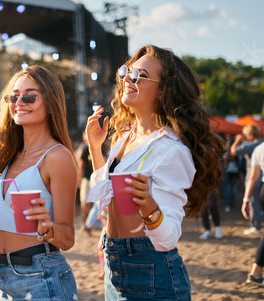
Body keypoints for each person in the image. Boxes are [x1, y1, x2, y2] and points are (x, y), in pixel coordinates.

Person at [85, 45, 224, 300]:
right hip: (113, 264)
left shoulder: (171, 149)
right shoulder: (125, 137)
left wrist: (148, 205)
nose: (128, 78)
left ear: (163, 91)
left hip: (149, 269)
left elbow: (168, 237)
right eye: (126, 71)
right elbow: (105, 194)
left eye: (139, 75)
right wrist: (95, 147)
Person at [0, 65, 79, 300]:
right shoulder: (9, 154)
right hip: (4, 276)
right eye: (14, 96)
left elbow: (67, 238)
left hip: (41, 276)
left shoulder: (57, 157)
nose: (19, 102)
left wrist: (46, 228)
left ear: (50, 103)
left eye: (29, 96)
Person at [231, 125, 263, 237]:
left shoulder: (252, 146)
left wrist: (237, 140)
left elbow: (233, 151)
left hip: (253, 175)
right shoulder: (260, 144)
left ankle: (255, 226)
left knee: (253, 201)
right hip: (261, 177)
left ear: (250, 135)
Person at [242, 141, 264, 286]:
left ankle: (256, 273)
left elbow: (253, 177)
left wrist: (246, 199)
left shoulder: (259, 148)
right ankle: (255, 273)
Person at [77, 131, 94, 235]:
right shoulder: (84, 148)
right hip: (86, 179)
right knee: (84, 202)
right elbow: (81, 165)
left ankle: (88, 224)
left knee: (91, 203)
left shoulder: (98, 146)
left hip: (93, 178)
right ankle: (84, 223)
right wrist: (79, 179)